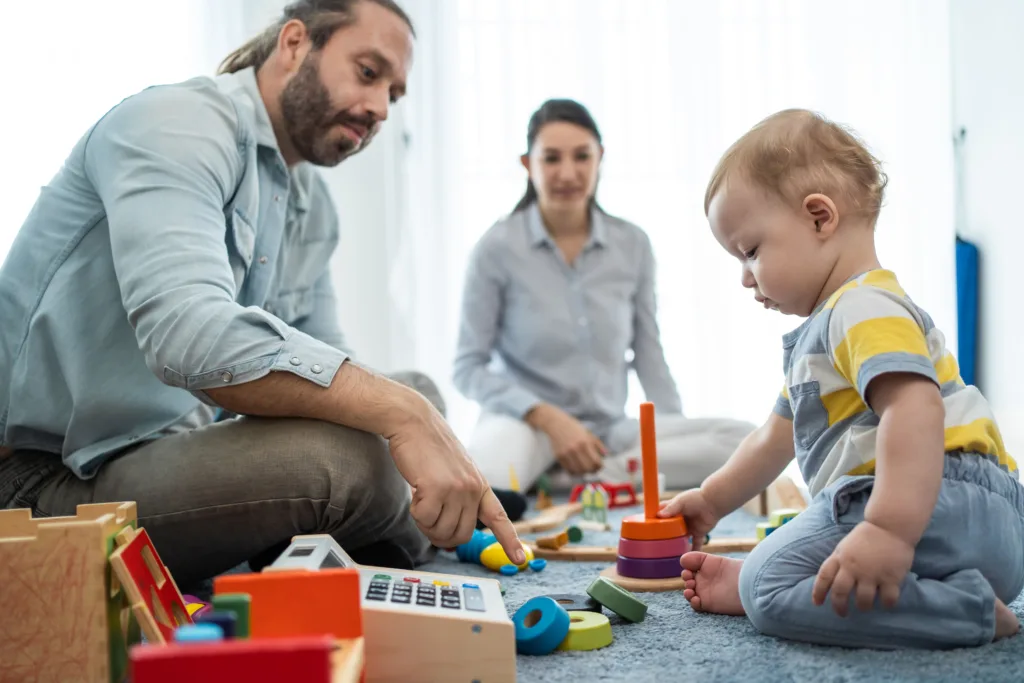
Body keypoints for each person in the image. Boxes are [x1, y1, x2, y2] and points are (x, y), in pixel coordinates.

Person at [0, 0, 523, 591]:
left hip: (172, 450)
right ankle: (401, 529)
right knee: (357, 460)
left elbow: (328, 355)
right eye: (369, 73)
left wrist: (410, 411)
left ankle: (372, 531)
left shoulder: (311, 206)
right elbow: (187, 338)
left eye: (393, 96)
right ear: (295, 43)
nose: (380, 108)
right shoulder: (176, 123)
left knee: (412, 390)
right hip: (41, 485)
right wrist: (408, 419)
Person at [659, 108, 1023, 648]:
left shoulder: (860, 307)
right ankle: (937, 593)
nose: (744, 278)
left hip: (931, 502)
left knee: (770, 582)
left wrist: (888, 530)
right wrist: (712, 500)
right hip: (982, 520)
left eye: (751, 251)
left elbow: (916, 408)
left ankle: (962, 613)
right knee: (788, 562)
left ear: (819, 218)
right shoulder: (831, 331)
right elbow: (771, 438)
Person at [453, 98, 754, 494]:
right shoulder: (496, 248)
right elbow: (467, 368)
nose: (568, 173)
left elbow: (648, 352)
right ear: (528, 165)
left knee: (745, 443)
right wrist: (548, 418)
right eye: (551, 159)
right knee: (486, 482)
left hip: (609, 433)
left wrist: (670, 433)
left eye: (582, 157)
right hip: (525, 425)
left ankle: (581, 479)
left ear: (600, 158)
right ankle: (592, 478)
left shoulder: (632, 244)